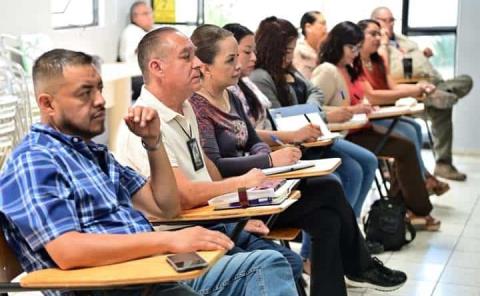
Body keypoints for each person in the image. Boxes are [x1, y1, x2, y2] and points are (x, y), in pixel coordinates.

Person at [0, 48, 299, 296]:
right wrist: (169, 242)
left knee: (272, 262)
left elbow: (165, 206)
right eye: (85, 93)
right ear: (47, 104)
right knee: (265, 266)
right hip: (117, 286)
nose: (101, 100)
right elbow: (68, 250)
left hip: (154, 273)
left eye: (100, 89)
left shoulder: (93, 155)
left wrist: (153, 143)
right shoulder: (35, 160)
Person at [189, 23, 407, 295]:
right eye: (231, 59)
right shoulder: (197, 107)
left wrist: (265, 158)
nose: (239, 65)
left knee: (327, 219)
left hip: (261, 184)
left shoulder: (230, 95)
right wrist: (268, 162)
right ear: (206, 66)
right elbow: (216, 167)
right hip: (236, 199)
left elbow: (255, 142)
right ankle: (360, 265)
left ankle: (352, 272)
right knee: (329, 186)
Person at [114, 27, 304, 282]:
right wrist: (241, 184)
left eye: (196, 56)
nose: (197, 64)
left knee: (289, 260)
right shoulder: (143, 123)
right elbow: (181, 196)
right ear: (157, 67)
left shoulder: (185, 108)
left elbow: (205, 169)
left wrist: (233, 218)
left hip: (210, 222)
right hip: (180, 238)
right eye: (186, 57)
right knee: (269, 265)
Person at [311, 21, 441, 231]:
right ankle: (412, 208)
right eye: (352, 48)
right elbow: (313, 110)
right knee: (400, 148)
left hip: (356, 127)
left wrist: (358, 108)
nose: (355, 52)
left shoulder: (351, 67)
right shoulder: (328, 71)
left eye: (357, 48)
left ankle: (401, 208)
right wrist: (353, 110)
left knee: (406, 141)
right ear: (339, 44)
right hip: (345, 134)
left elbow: (359, 98)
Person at [371, 6, 473, 181]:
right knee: (442, 110)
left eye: (391, 20)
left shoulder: (405, 41)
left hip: (433, 85)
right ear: (375, 22)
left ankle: (440, 94)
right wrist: (384, 43)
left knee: (465, 80)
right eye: (384, 20)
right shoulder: (378, 46)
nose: (389, 24)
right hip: (408, 93)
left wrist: (423, 56)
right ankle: (443, 164)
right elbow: (386, 75)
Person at [357, 19, 450, 197]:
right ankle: (423, 180)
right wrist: (413, 91)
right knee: (407, 132)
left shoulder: (377, 61)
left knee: (414, 126)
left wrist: (419, 88)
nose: (378, 38)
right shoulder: (355, 64)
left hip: (383, 112)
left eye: (380, 34)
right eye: (373, 34)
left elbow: (393, 87)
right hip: (370, 117)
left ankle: (423, 177)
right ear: (359, 37)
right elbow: (374, 96)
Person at [118, 1, 154, 101]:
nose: (150, 17)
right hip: (134, 78)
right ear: (134, 17)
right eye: (145, 14)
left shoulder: (143, 32)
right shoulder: (132, 32)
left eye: (150, 13)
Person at [293, 11, 328, 79]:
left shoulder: (324, 51)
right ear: (308, 27)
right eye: (322, 24)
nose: (326, 28)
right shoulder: (298, 50)